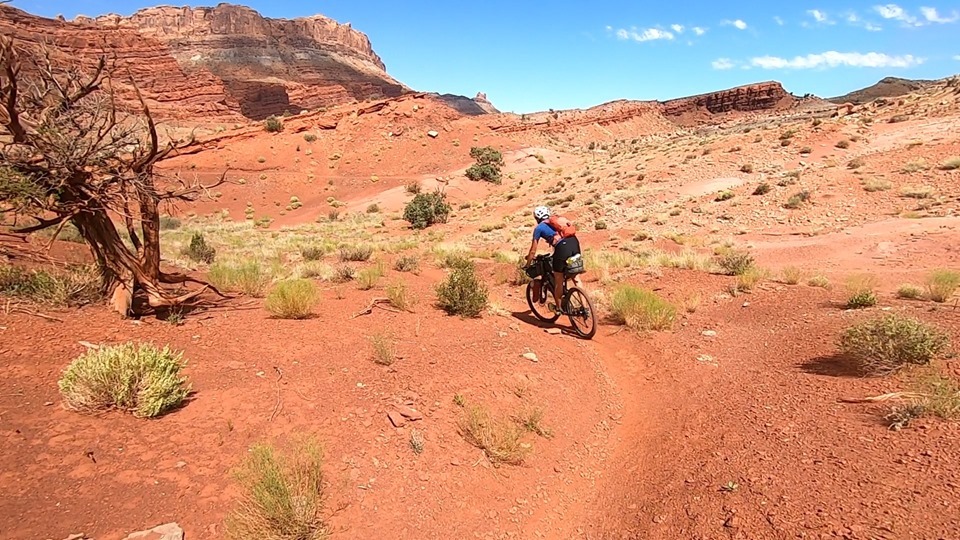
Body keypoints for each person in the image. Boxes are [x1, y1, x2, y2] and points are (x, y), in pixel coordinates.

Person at [524, 205, 582, 313]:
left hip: (562, 248)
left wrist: (528, 264)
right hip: (574, 243)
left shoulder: (539, 228)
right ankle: (585, 306)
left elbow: (533, 251)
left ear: (537, 218)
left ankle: (559, 308)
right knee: (576, 278)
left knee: (558, 280)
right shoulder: (557, 222)